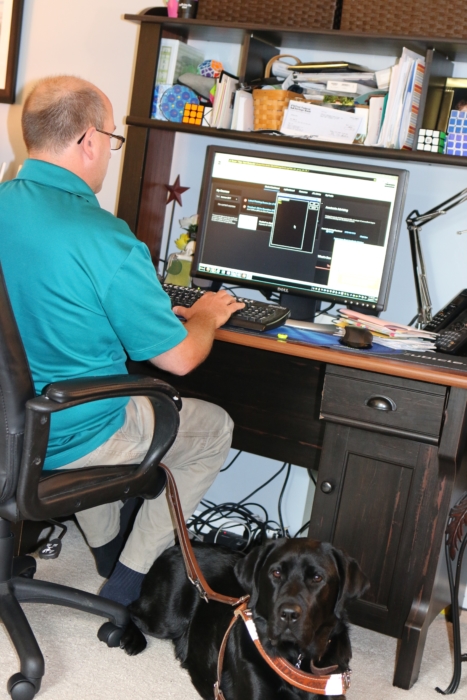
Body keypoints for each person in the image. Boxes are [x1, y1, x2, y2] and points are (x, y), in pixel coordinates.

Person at [0, 75, 245, 606]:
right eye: (113, 139)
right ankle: (130, 581)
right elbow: (179, 358)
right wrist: (203, 314)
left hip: (10, 425)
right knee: (213, 428)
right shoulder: (106, 238)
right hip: (70, 431)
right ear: (89, 140)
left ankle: (109, 549)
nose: (110, 151)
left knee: (100, 393)